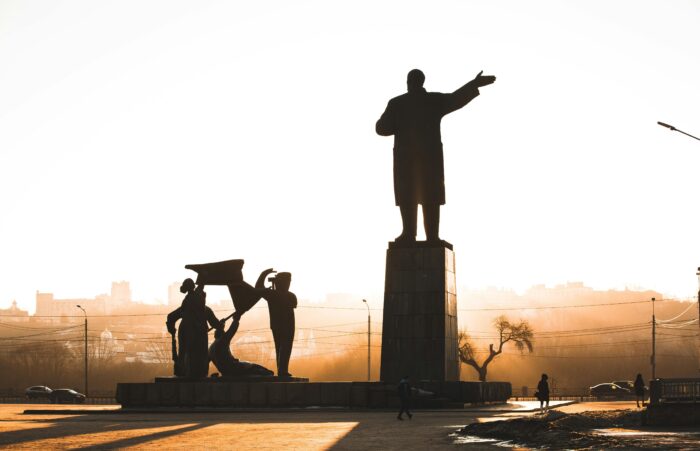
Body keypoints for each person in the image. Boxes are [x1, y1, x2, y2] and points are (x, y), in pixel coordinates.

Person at [376, 68, 496, 243]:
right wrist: (474, 83)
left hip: (407, 160)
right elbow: (456, 99)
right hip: (429, 159)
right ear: (422, 82)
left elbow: (381, 128)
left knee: (409, 196)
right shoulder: (433, 100)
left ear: (408, 83)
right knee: (429, 196)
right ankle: (432, 236)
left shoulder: (397, 104)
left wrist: (394, 123)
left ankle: (409, 233)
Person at [166, 278, 221, 378]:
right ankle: (195, 373)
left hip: (188, 333)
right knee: (197, 355)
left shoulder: (187, 306)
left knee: (188, 354)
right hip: (195, 335)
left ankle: (186, 371)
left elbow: (171, 317)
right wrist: (220, 325)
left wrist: (171, 328)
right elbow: (215, 323)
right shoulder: (203, 309)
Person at [208, 311, 274, 377]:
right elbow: (232, 330)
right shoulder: (222, 341)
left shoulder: (210, 349)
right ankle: (268, 375)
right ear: (222, 334)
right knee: (260, 369)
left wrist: (221, 325)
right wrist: (236, 320)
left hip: (225, 372)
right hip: (235, 368)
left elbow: (206, 361)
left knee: (253, 368)